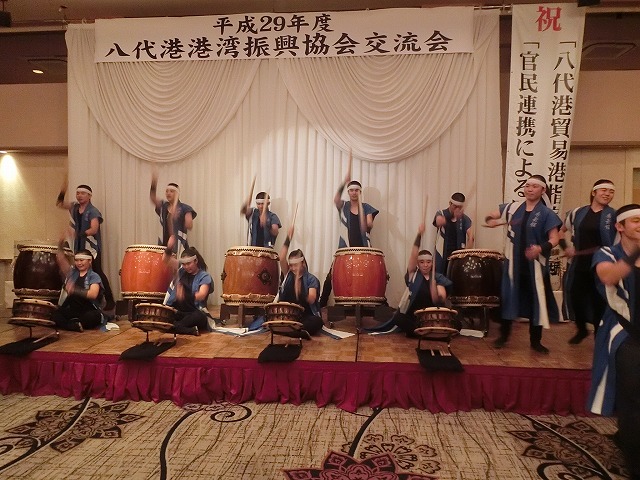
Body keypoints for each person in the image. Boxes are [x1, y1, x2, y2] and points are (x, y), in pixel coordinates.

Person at [587, 204, 640, 479]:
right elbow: (609, 276)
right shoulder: (607, 253)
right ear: (620, 226)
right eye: (636, 221)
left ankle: (625, 436)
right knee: (633, 399)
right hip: (624, 333)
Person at [485, 174, 562, 353]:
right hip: (513, 264)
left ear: (543, 190)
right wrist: (492, 221)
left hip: (535, 266)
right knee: (508, 298)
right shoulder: (513, 207)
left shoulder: (547, 213)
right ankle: (503, 336)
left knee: (537, 301)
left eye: (534, 186)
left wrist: (540, 248)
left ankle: (536, 341)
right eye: (527, 186)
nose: (530, 189)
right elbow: (490, 215)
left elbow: (555, 238)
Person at [560, 179, 617, 344]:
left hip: (602, 265)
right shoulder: (577, 213)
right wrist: (566, 247)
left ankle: (600, 336)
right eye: (604, 190)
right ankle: (582, 329)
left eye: (611, 191)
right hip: (580, 264)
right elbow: (560, 231)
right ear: (594, 192)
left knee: (599, 301)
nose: (607, 194)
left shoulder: (614, 215)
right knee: (575, 298)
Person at [318, 173, 379, 307]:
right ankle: (322, 303)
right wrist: (343, 183)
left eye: (356, 190)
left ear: (360, 192)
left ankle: (376, 302)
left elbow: (369, 225)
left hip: (363, 248)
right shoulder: (344, 205)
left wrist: (365, 220)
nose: (354, 193)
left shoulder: (366, 207)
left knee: (368, 275)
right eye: (351, 190)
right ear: (348, 192)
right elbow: (336, 199)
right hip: (345, 247)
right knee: (333, 274)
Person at [56, 182, 115, 312]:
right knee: (78, 272)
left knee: (97, 271)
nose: (79, 195)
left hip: (91, 247)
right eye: (78, 193)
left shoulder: (93, 211)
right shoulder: (74, 207)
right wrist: (63, 191)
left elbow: (94, 229)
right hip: (79, 245)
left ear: (89, 196)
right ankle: (79, 300)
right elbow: (59, 204)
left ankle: (109, 300)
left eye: (83, 193)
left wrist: (77, 234)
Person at [392, 223, 452, 336]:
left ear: (432, 263)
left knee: (457, 324)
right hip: (416, 318)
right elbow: (413, 255)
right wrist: (419, 235)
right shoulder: (413, 276)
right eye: (422, 262)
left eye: (428, 262)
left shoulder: (437, 277)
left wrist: (435, 294)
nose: (425, 265)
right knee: (397, 318)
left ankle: (423, 333)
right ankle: (427, 333)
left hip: (433, 318)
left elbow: (441, 299)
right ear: (418, 264)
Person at [276, 225, 324, 336]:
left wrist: (299, 290)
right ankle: (294, 331)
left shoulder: (311, 279)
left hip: (304, 316)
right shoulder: (288, 274)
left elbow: (311, 299)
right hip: (287, 315)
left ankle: (289, 331)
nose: (293, 268)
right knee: (267, 316)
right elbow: (281, 258)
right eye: (291, 265)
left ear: (302, 263)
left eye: (295, 265)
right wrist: (288, 237)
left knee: (317, 322)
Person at [51, 245, 104, 332]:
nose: (79, 263)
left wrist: (74, 290)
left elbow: (93, 294)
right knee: (54, 314)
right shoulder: (72, 273)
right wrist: (61, 243)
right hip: (73, 310)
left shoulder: (94, 276)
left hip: (88, 309)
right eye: (76, 260)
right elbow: (61, 260)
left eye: (81, 260)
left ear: (89, 261)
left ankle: (73, 324)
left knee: (92, 317)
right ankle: (73, 325)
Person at [163, 246, 213, 336]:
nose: (186, 267)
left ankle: (174, 327)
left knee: (199, 316)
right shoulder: (181, 272)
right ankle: (187, 330)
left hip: (193, 312)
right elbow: (165, 259)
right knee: (165, 316)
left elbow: (202, 295)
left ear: (196, 261)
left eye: (189, 263)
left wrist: (185, 296)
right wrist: (169, 247)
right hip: (179, 312)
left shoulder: (204, 276)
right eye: (184, 264)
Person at [150, 174, 197, 255]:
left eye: (171, 191)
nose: (168, 193)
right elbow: (152, 198)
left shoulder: (185, 208)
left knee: (178, 262)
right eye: (167, 191)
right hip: (164, 246)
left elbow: (189, 226)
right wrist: (154, 182)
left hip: (179, 245)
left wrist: (184, 220)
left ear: (177, 193)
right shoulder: (163, 206)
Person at [433, 192, 474, 275]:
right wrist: (452, 216)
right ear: (450, 203)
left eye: (459, 207)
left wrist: (465, 254)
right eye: (455, 206)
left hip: (457, 254)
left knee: (456, 277)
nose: (457, 209)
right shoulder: (441, 213)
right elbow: (439, 221)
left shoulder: (465, 218)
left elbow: (471, 237)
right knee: (439, 276)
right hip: (442, 252)